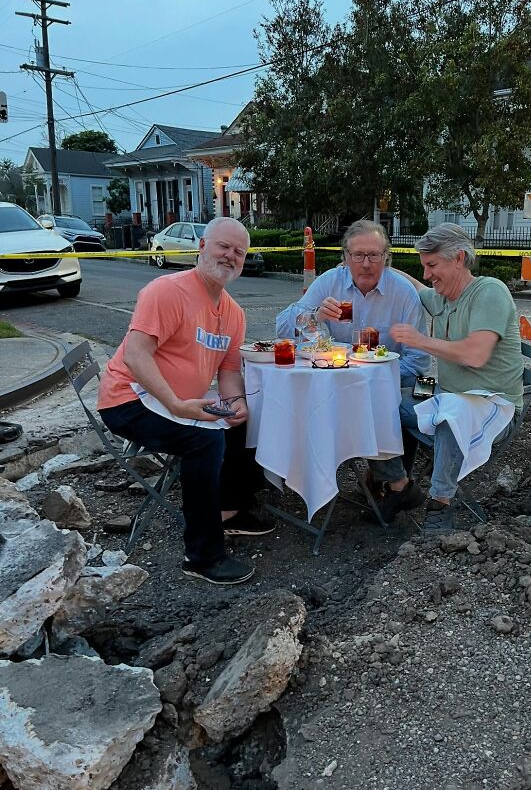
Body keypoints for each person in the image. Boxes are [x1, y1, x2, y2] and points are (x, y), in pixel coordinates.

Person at [97, 216, 269, 586]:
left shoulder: (234, 313)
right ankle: (203, 555)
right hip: (127, 399)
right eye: (224, 246)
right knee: (204, 441)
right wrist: (176, 405)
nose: (231, 256)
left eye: (239, 252)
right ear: (202, 247)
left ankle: (229, 509)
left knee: (248, 422)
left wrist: (235, 403)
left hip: (178, 400)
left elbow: (227, 371)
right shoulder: (168, 291)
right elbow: (136, 356)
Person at [371, 223, 524, 533]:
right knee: (378, 394)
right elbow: (415, 286)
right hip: (445, 391)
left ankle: (440, 503)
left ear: (459, 259)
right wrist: (377, 264)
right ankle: (400, 486)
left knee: (451, 413)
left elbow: (475, 354)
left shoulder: (490, 291)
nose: (428, 274)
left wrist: (418, 340)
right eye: (425, 266)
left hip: (495, 405)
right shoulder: (443, 296)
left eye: (432, 265)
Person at [276, 220, 430, 387]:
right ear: (346, 257)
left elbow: (417, 361)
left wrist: (370, 378)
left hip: (383, 385)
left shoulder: (403, 293)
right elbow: (282, 330)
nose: (366, 264)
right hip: (331, 380)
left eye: (374, 255)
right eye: (358, 255)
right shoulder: (330, 282)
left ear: (386, 257)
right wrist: (316, 316)